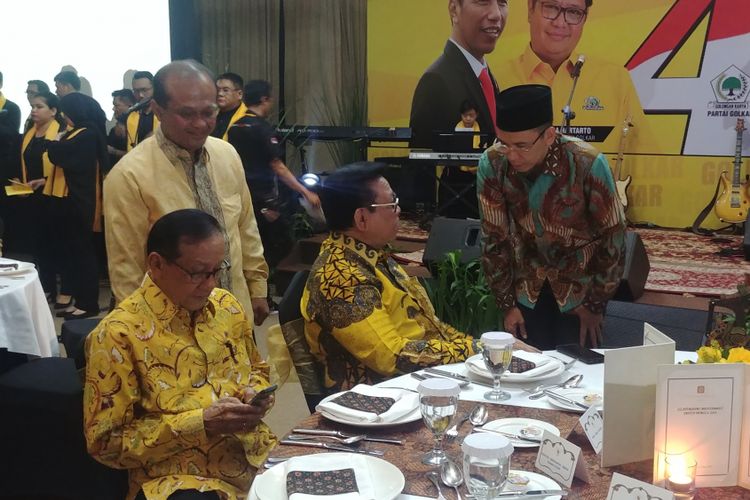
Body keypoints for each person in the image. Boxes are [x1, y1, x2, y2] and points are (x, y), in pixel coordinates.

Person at [84, 209, 277, 500]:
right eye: (197, 273)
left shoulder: (226, 306)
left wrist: (255, 396)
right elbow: (106, 444)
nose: (210, 284)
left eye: (217, 270)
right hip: (178, 478)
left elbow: (257, 370)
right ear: (156, 264)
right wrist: (201, 423)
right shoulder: (118, 335)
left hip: (253, 454)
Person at [301, 162, 536, 392]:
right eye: (392, 204)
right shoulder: (341, 276)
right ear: (361, 218)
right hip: (381, 399)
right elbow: (392, 356)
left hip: (421, 382)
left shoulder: (371, 256)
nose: (399, 211)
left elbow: (431, 327)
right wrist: (479, 350)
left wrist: (483, 348)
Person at [104, 60, 270, 327]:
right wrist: (145, 334)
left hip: (235, 313)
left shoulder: (226, 155)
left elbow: (245, 226)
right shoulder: (129, 176)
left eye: (209, 112)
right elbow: (128, 270)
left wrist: (258, 286)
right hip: (173, 328)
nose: (201, 124)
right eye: (187, 114)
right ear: (158, 110)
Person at [477, 84, 626, 350]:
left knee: (577, 377)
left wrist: (595, 304)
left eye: (521, 145)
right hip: (526, 289)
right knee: (526, 373)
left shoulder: (587, 164)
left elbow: (613, 237)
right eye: (504, 143)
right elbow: (493, 238)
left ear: (548, 135)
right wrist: (507, 305)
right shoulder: (492, 163)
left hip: (580, 291)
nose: (511, 155)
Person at [496, 0, 656, 153]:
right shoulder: (495, 79)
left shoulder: (615, 80)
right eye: (551, 7)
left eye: (573, 12)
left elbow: (645, 163)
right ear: (530, 8)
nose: (560, 23)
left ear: (585, 18)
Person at [227, 79, 320, 269]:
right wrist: (305, 191)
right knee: (280, 244)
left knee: (250, 243)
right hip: (264, 198)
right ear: (264, 99)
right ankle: (266, 290)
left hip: (241, 195)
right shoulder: (262, 129)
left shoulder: (235, 127)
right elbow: (277, 165)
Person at [43, 92, 109, 318]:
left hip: (83, 202)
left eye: (66, 112)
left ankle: (88, 302)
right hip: (72, 202)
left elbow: (60, 155)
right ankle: (80, 299)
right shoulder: (80, 132)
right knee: (75, 253)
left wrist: (54, 143)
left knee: (84, 254)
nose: (63, 116)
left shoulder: (87, 134)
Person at [409, 0, 507, 149]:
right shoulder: (435, 82)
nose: (496, 14)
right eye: (482, 2)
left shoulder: (484, 75)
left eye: (502, 2)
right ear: (454, 10)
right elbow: (421, 165)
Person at [19, 92, 67, 301]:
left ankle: (62, 289)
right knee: (38, 244)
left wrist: (45, 181)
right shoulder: (30, 132)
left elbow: (64, 168)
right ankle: (45, 288)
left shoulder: (60, 132)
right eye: (32, 107)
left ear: (53, 111)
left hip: (53, 195)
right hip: (32, 196)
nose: (34, 110)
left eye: (39, 106)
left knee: (55, 243)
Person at [126, 70, 159, 151]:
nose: (140, 95)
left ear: (154, 88)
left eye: (144, 90)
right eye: (136, 91)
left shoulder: (166, 113)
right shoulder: (130, 115)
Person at [211, 72, 246, 141]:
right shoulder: (211, 114)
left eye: (225, 90)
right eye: (217, 90)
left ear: (240, 94)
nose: (220, 94)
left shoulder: (247, 119)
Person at [108, 88, 135, 166]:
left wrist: (114, 151)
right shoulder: (113, 130)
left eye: (116, 105)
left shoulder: (138, 128)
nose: (113, 109)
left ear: (130, 105)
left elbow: (138, 154)